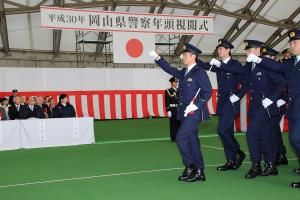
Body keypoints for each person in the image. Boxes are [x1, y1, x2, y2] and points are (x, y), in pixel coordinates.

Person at [212, 40, 285, 179]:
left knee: (251, 134)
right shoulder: (250, 65)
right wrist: (221, 65)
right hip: (255, 106)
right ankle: (270, 165)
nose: (247, 52)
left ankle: (256, 165)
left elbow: (281, 82)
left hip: (266, 106)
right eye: (246, 50)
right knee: (264, 136)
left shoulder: (266, 64)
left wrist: (272, 98)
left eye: (249, 49)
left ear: (258, 50)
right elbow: (238, 71)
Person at [149, 43, 212, 182]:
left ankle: (190, 166)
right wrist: (158, 58)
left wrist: (196, 106)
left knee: (181, 137)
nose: (183, 57)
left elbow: (208, 92)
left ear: (193, 56)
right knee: (192, 141)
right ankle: (200, 170)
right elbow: (170, 69)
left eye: (185, 55)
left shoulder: (199, 72)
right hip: (183, 112)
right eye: (183, 54)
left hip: (194, 113)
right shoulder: (184, 72)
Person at [247, 29, 300, 188]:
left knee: (296, 139)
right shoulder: (291, 62)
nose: (291, 45)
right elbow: (275, 66)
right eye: (290, 43)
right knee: (294, 140)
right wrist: (258, 59)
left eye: (294, 42)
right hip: (294, 109)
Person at [197, 39, 248, 171]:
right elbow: (205, 66)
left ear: (228, 50)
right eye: (218, 49)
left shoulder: (235, 64)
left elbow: (246, 83)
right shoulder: (219, 65)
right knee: (226, 131)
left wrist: (238, 95)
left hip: (231, 102)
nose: (218, 51)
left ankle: (238, 152)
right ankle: (231, 159)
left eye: (221, 49)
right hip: (222, 102)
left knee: (221, 130)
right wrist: (193, 57)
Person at [261, 46, 288, 165]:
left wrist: (284, 99)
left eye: (267, 57)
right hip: (269, 104)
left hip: (278, 103)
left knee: (269, 131)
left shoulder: (280, 69)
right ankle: (280, 154)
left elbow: (289, 86)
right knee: (274, 130)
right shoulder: (265, 69)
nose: (265, 60)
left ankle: (272, 157)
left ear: (273, 57)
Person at [164, 76, 181, 142]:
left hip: (179, 109)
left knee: (179, 123)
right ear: (171, 83)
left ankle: (179, 137)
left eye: (177, 82)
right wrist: (168, 110)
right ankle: (173, 138)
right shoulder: (168, 91)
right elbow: (167, 100)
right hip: (172, 109)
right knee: (173, 124)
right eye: (175, 82)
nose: (176, 83)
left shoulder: (179, 90)